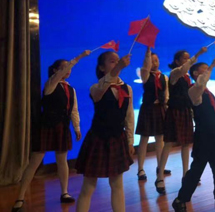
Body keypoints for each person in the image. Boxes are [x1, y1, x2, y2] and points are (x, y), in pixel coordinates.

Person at [12, 50, 90, 212]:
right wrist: (79, 57)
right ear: (55, 70)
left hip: (62, 127)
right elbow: (59, 75)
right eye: (64, 67)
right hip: (47, 126)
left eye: (69, 68)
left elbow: (73, 110)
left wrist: (76, 127)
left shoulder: (71, 89)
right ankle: (20, 197)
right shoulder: (50, 84)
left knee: (62, 160)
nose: (68, 70)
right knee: (34, 162)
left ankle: (64, 192)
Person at [172, 58, 215, 211]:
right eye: (204, 69)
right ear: (195, 73)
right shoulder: (193, 91)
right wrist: (212, 65)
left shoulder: (207, 91)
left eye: (208, 68)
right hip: (203, 136)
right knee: (197, 169)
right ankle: (180, 199)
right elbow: (200, 83)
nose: (208, 71)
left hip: (214, 134)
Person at [75, 51, 134, 212]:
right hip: (98, 139)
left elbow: (129, 116)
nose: (117, 63)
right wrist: (118, 67)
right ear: (101, 67)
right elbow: (101, 89)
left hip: (118, 138)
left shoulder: (127, 88)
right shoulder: (95, 88)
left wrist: (130, 141)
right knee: (88, 186)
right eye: (112, 61)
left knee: (117, 185)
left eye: (118, 61)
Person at [156, 47, 207, 195]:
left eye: (188, 57)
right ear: (177, 61)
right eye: (185, 58)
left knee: (186, 144)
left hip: (185, 111)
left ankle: (186, 175)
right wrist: (198, 54)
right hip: (174, 111)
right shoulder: (174, 74)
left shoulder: (186, 77)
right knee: (169, 144)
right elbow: (184, 69)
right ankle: (159, 177)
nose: (187, 60)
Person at [135, 47, 169, 181]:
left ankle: (160, 166)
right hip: (148, 109)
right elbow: (145, 67)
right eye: (152, 60)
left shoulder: (164, 77)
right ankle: (140, 169)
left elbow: (166, 94)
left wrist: (166, 107)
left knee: (160, 138)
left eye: (157, 60)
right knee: (144, 138)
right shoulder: (145, 75)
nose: (155, 63)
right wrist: (148, 51)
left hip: (159, 108)